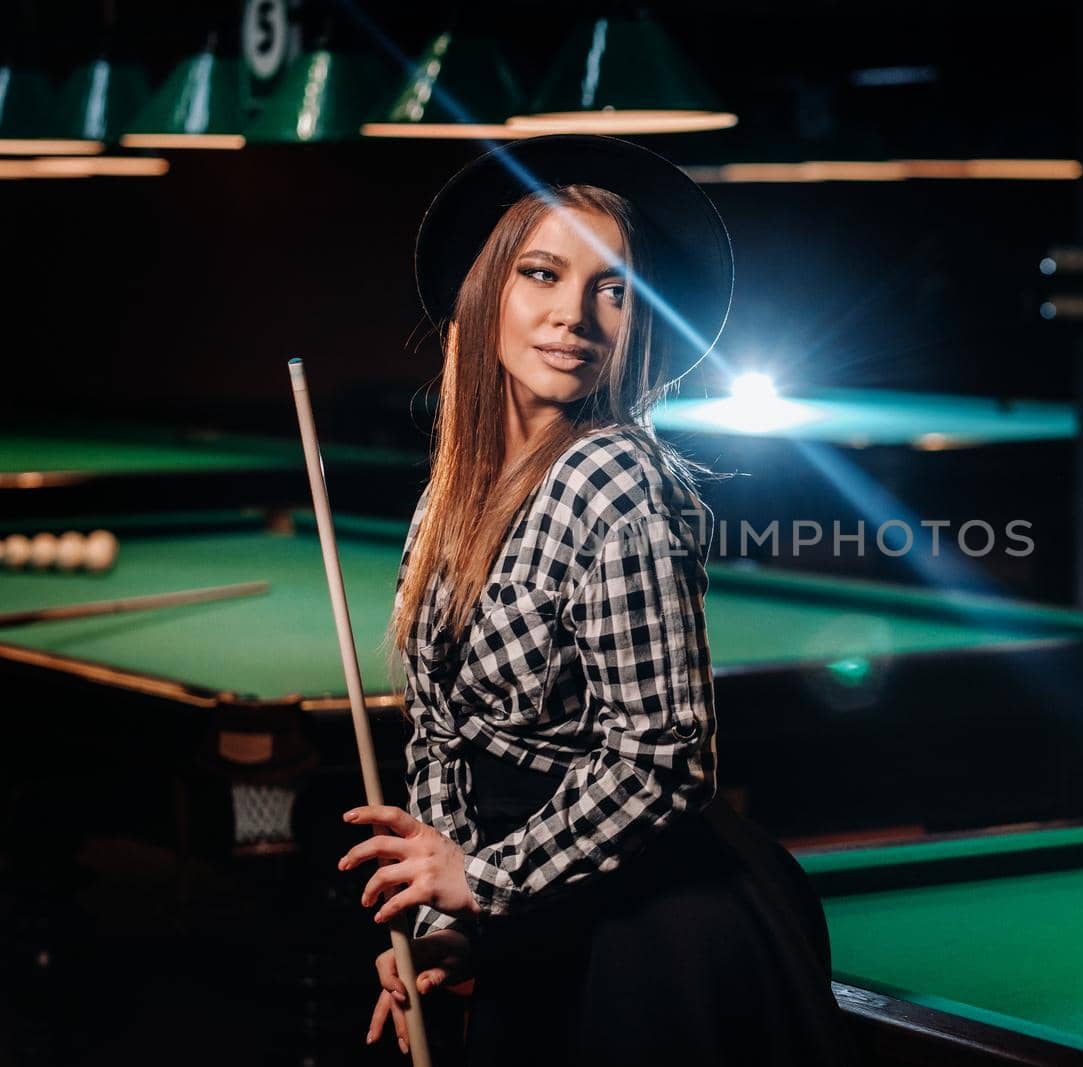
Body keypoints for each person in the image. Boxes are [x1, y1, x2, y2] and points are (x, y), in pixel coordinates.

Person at [335, 136, 857, 1065]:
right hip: (546, 923)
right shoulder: (447, 500)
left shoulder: (614, 475)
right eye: (542, 272)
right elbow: (441, 739)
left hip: (661, 940)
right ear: (487, 290)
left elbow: (663, 758)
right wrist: (454, 921)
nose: (574, 314)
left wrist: (482, 880)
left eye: (612, 289)